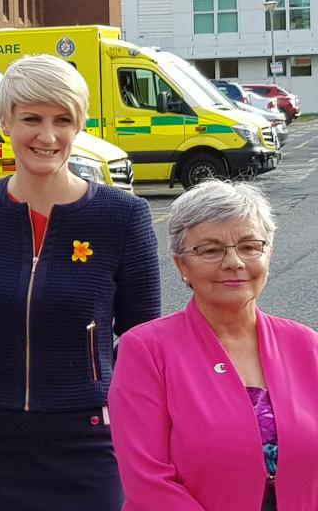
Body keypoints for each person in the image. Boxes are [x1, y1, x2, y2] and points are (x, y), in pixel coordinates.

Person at [0, 54, 161, 510]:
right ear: (5, 121)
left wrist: (102, 398)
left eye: (63, 119)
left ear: (79, 124)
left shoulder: (122, 217)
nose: (47, 136)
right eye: (31, 118)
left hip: (90, 443)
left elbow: (144, 340)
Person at [110, 180, 318, 510]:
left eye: (250, 247)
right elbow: (147, 482)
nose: (234, 261)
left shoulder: (306, 346)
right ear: (182, 266)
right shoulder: (146, 351)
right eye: (211, 250)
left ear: (268, 255)